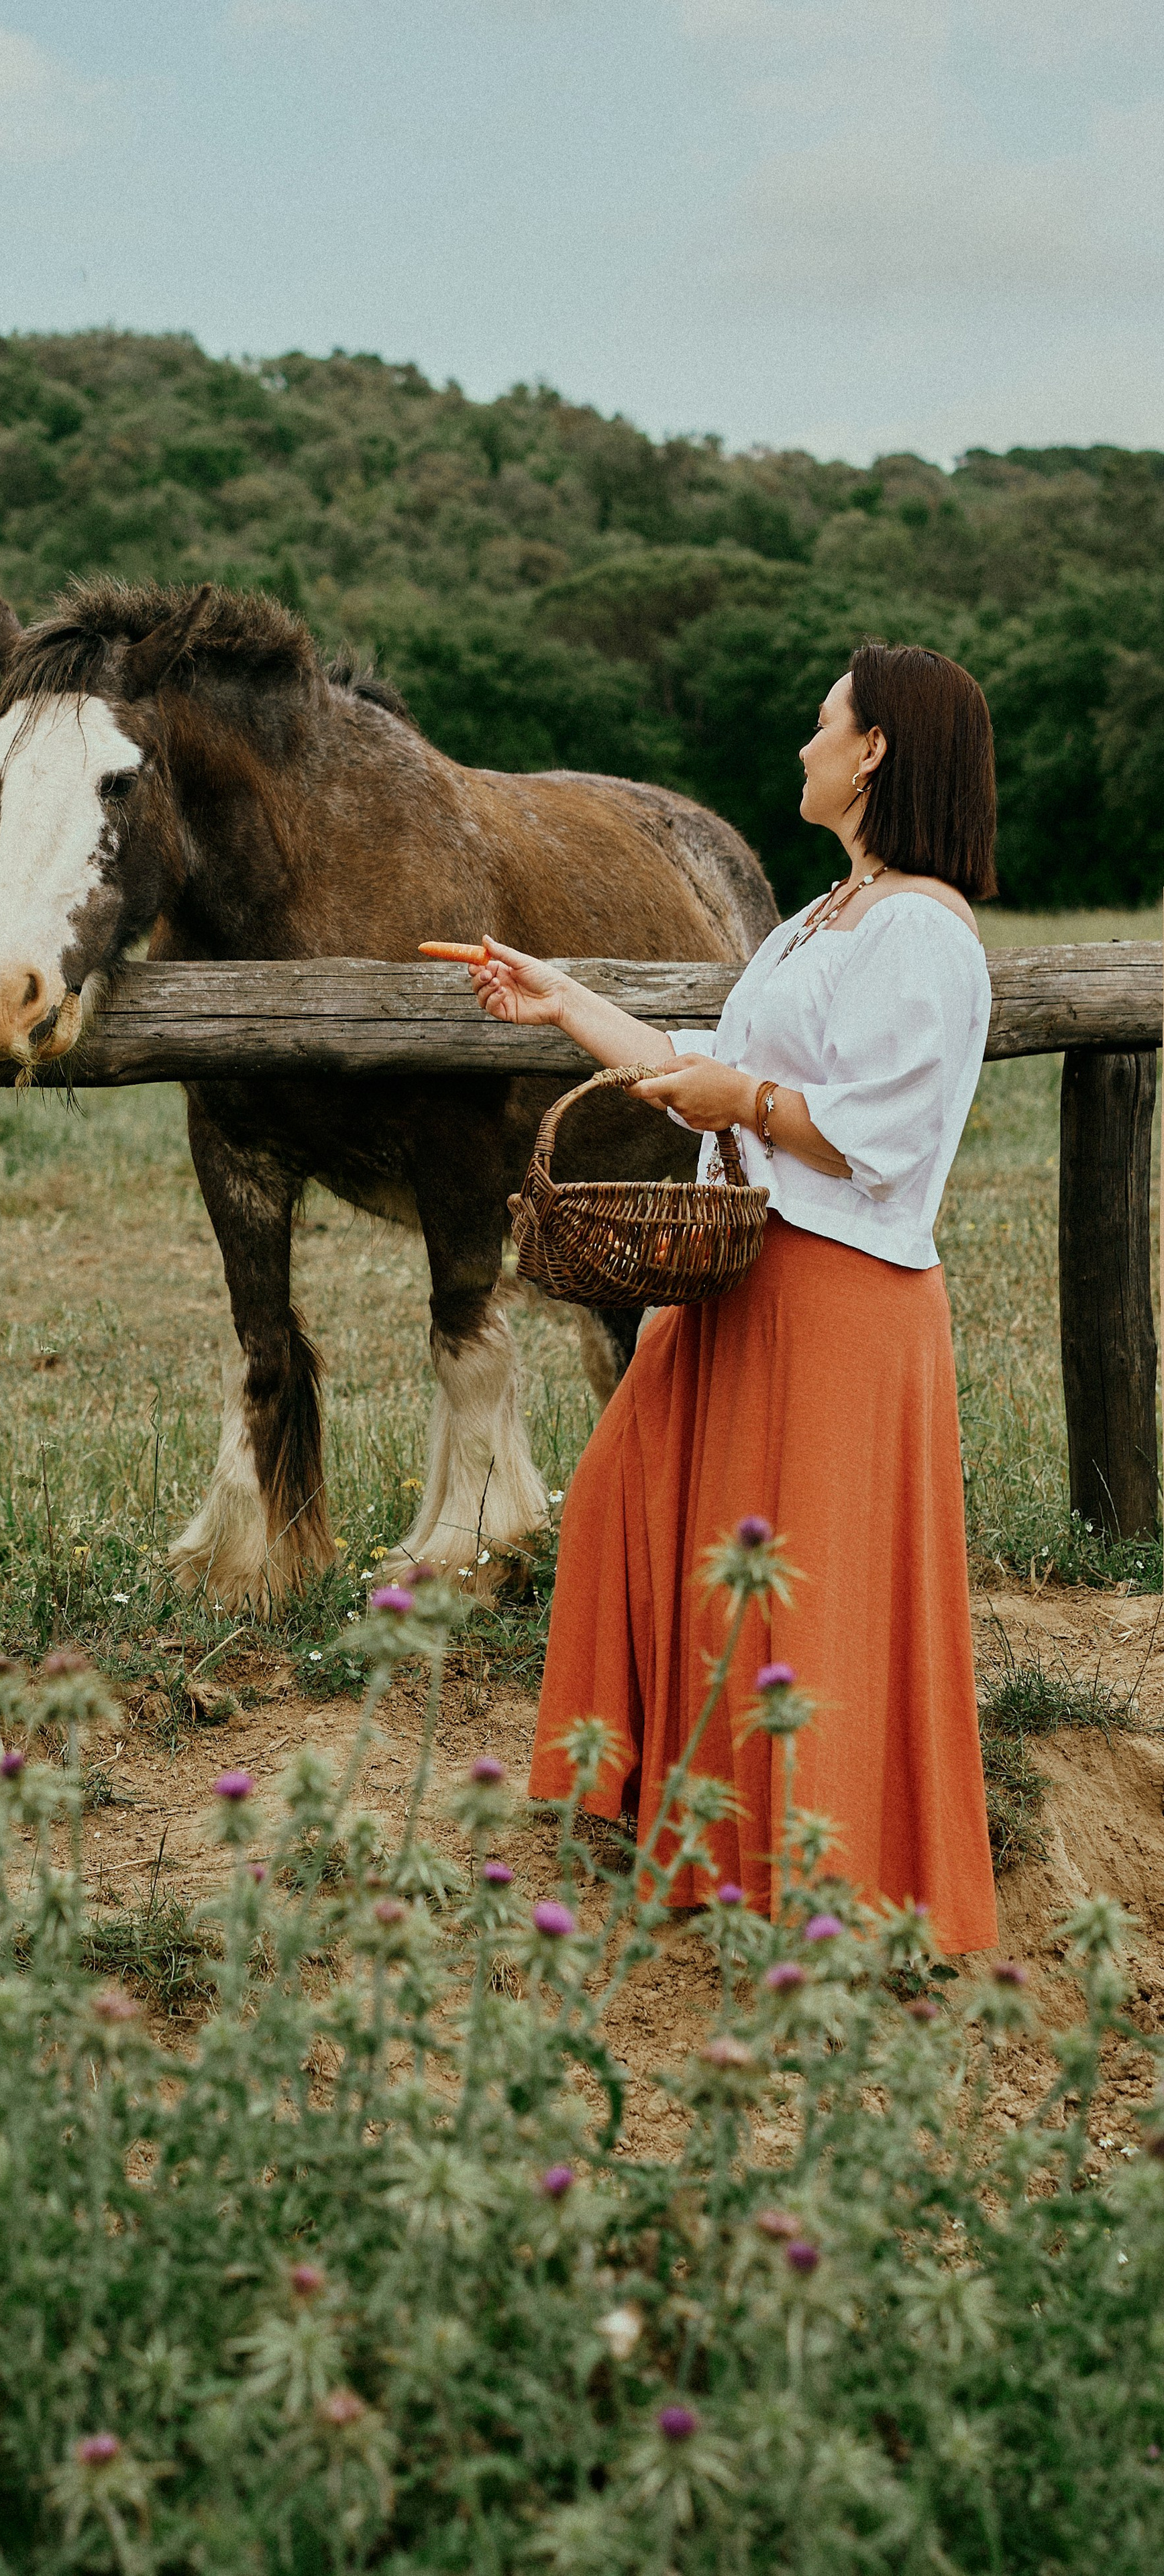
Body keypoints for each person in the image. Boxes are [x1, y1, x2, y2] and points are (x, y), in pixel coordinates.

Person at [470, 643, 1000, 1955]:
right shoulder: (822, 915)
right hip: (741, 1285)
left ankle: (807, 1892)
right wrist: (565, 1004)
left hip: (836, 1301)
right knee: (625, 1509)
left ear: (874, 749)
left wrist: (744, 1103)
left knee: (790, 1603)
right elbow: (705, 1066)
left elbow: (883, 1127)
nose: (803, 743)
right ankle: (695, 1837)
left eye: (823, 722)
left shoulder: (922, 930)